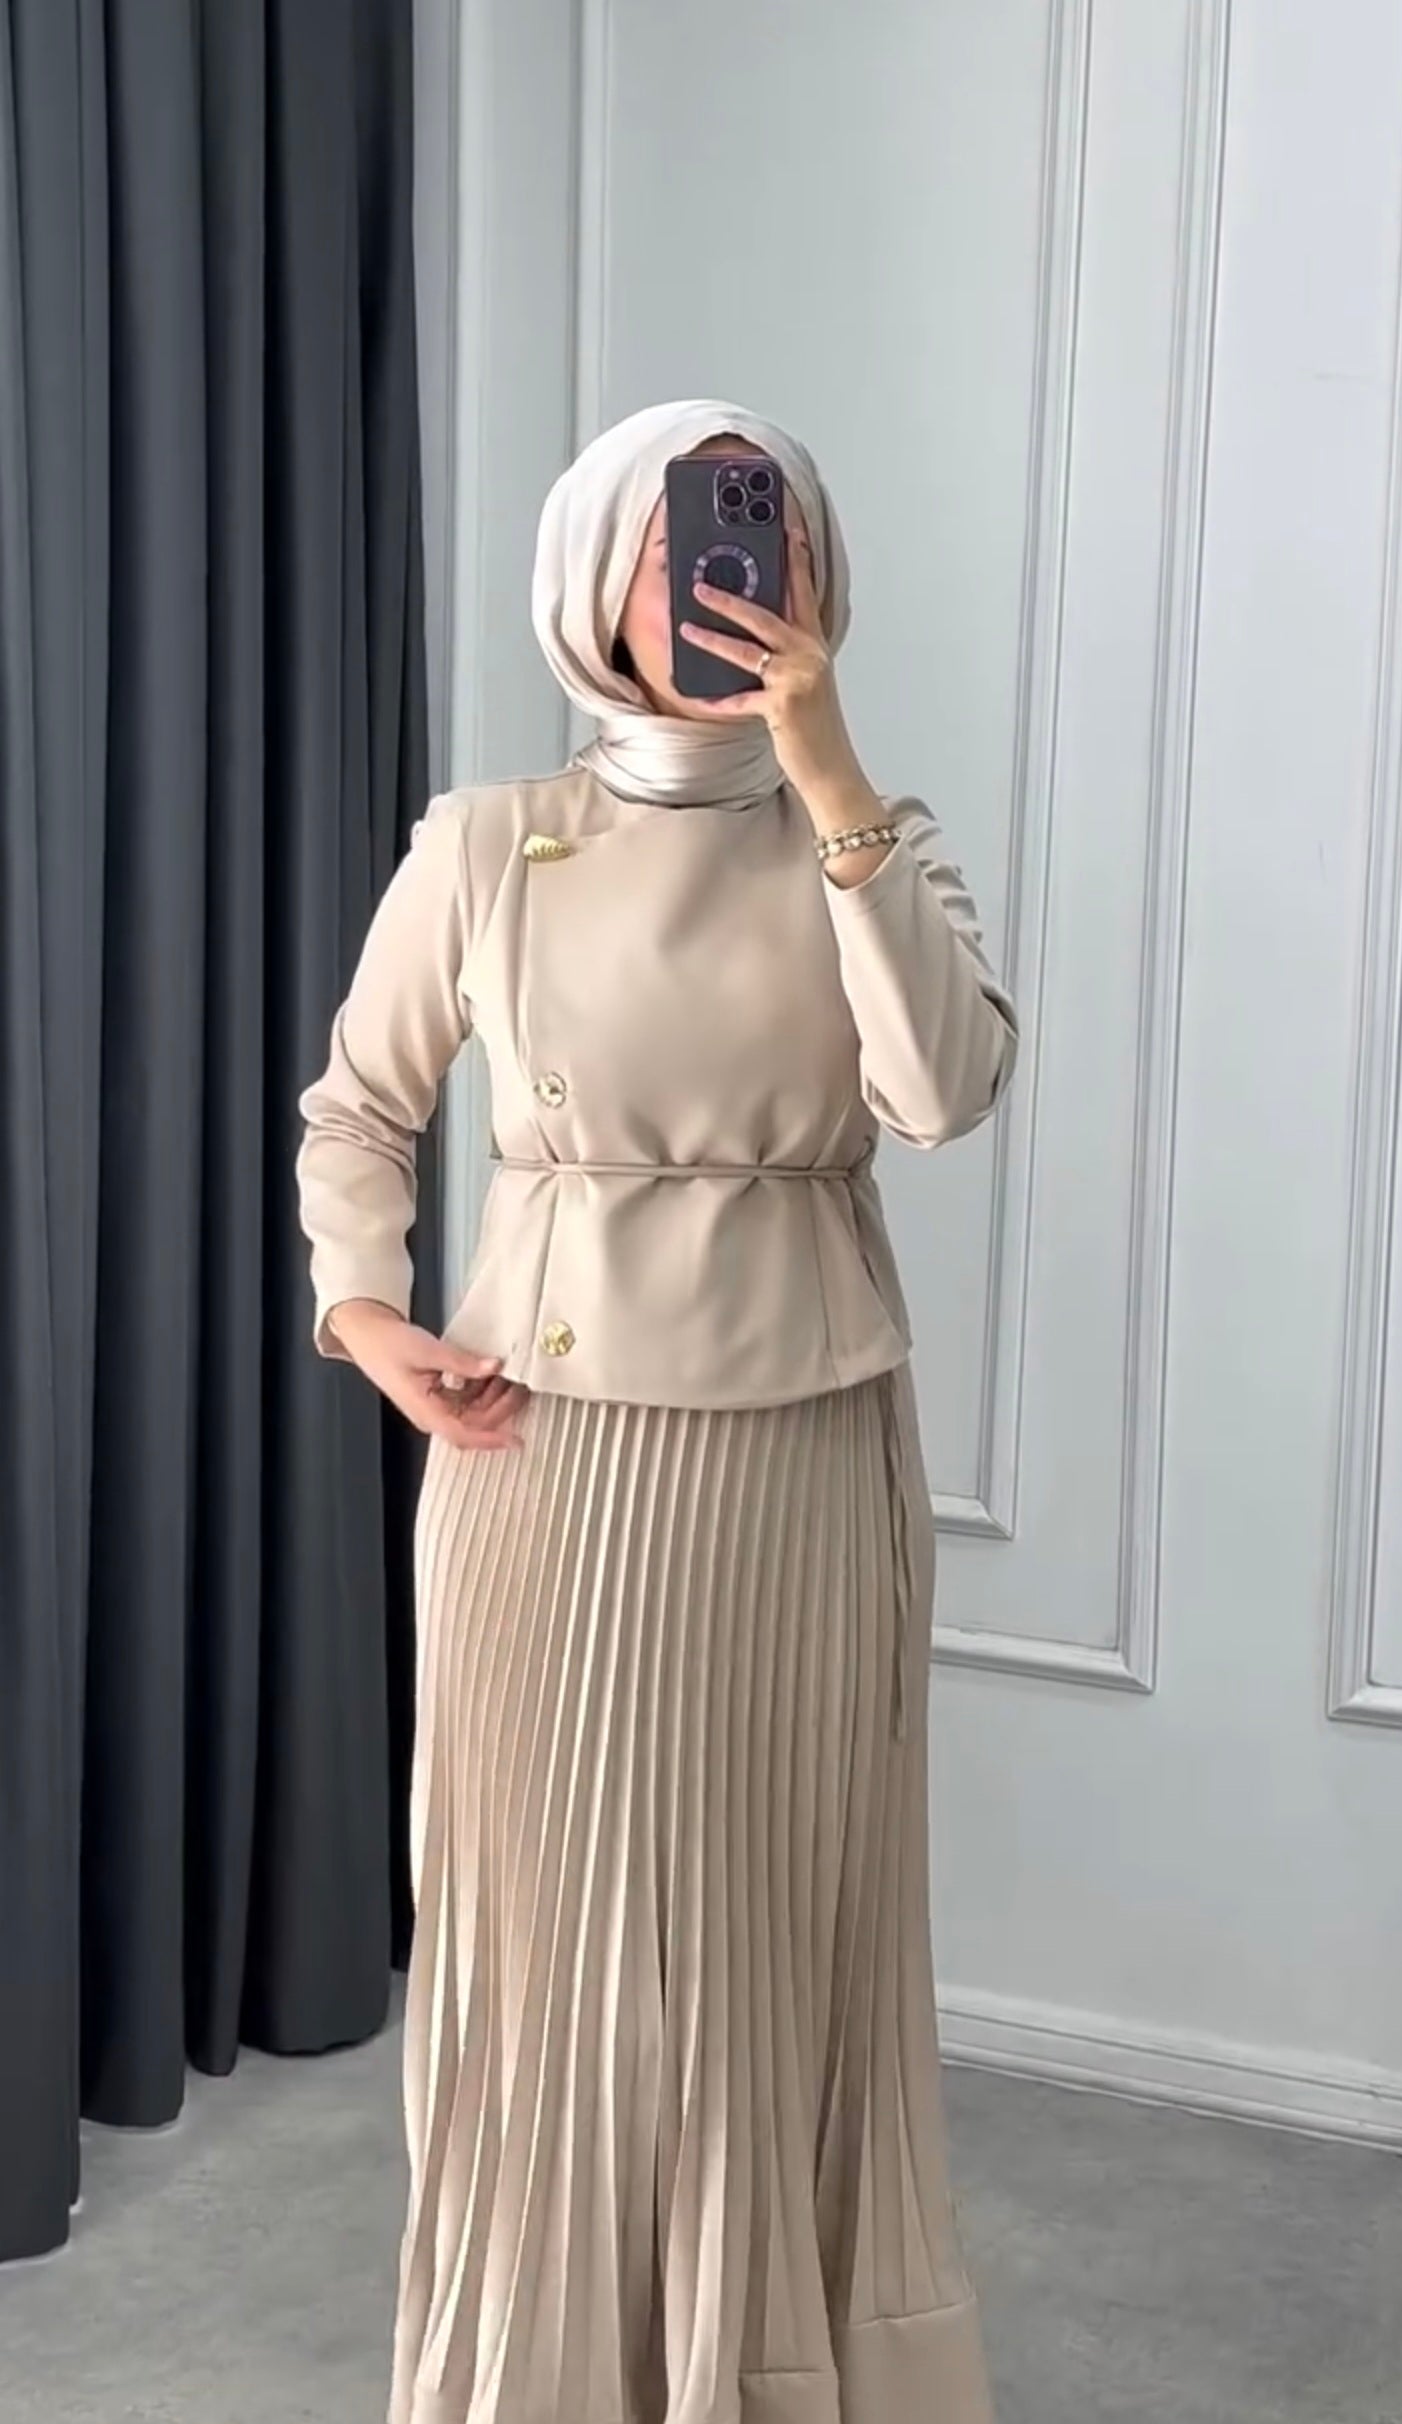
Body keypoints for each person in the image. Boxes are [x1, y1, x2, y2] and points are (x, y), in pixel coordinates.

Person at [296, 398, 1018, 2424]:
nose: (724, 573)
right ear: (592, 571)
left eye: (762, 530)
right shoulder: (485, 840)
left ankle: (766, 2370)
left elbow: (942, 1096)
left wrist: (828, 768)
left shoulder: (877, 840)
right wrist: (364, 1312)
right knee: (555, 1955)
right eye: (685, 532)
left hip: (807, 1457)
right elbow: (357, 1109)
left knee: (784, 1943)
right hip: (545, 1459)